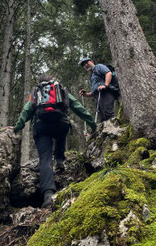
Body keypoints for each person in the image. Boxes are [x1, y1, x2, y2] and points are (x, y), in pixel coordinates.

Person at [13, 73, 97, 208]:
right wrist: (92, 124)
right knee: (61, 132)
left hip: (41, 126)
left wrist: (16, 128)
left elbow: (26, 111)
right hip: (60, 124)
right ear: (52, 81)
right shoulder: (59, 90)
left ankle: (48, 196)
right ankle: (59, 161)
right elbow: (77, 107)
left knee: (45, 159)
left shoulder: (37, 93)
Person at [78, 57, 117, 123]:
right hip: (98, 96)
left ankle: (114, 129)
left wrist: (105, 85)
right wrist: (86, 94)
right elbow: (94, 92)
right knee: (102, 117)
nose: (86, 65)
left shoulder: (98, 67)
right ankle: (107, 131)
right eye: (84, 65)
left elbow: (108, 73)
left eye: (87, 63)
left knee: (108, 113)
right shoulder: (92, 75)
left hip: (106, 93)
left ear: (92, 62)